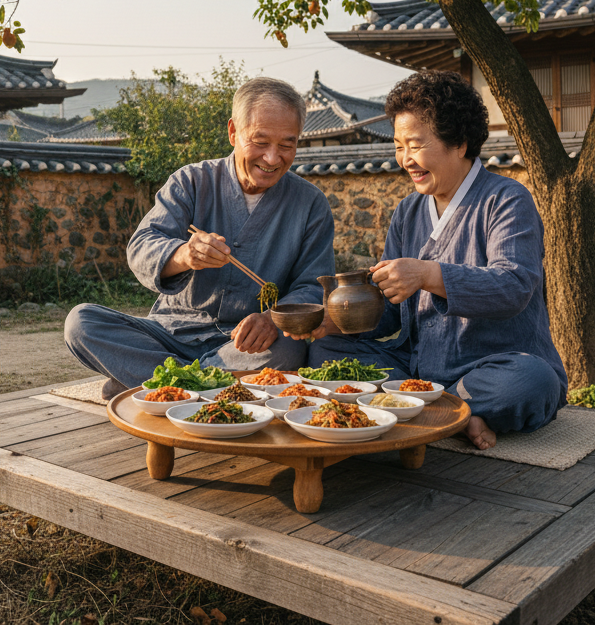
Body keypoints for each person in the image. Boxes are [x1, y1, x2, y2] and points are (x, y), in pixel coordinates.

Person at [302, 71, 566, 450]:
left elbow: (514, 286)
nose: (405, 160)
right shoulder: (408, 211)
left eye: (415, 145)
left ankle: (420, 409)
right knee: (325, 352)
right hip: (415, 368)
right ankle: (453, 414)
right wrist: (338, 323)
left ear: (459, 142)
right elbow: (389, 311)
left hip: (492, 367)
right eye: (397, 146)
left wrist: (428, 273)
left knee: (534, 381)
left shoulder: (507, 200)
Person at [65, 77, 334, 399]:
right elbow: (142, 245)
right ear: (234, 132)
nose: (273, 158)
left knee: (288, 350)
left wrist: (271, 319)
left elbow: (313, 284)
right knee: (81, 322)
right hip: (170, 330)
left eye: (287, 145)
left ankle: (151, 381)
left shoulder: (310, 203)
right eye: (260, 142)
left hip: (244, 343)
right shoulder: (191, 181)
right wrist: (183, 255)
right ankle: (202, 384)